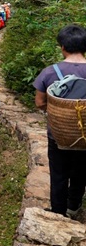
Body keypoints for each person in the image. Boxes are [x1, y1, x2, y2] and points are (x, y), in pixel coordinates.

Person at [33, 24, 86, 218]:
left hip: (58, 133)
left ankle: (58, 211)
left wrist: (61, 111)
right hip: (85, 134)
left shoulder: (50, 72)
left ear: (62, 46)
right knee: (81, 171)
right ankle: (74, 206)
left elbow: (39, 103)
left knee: (59, 173)